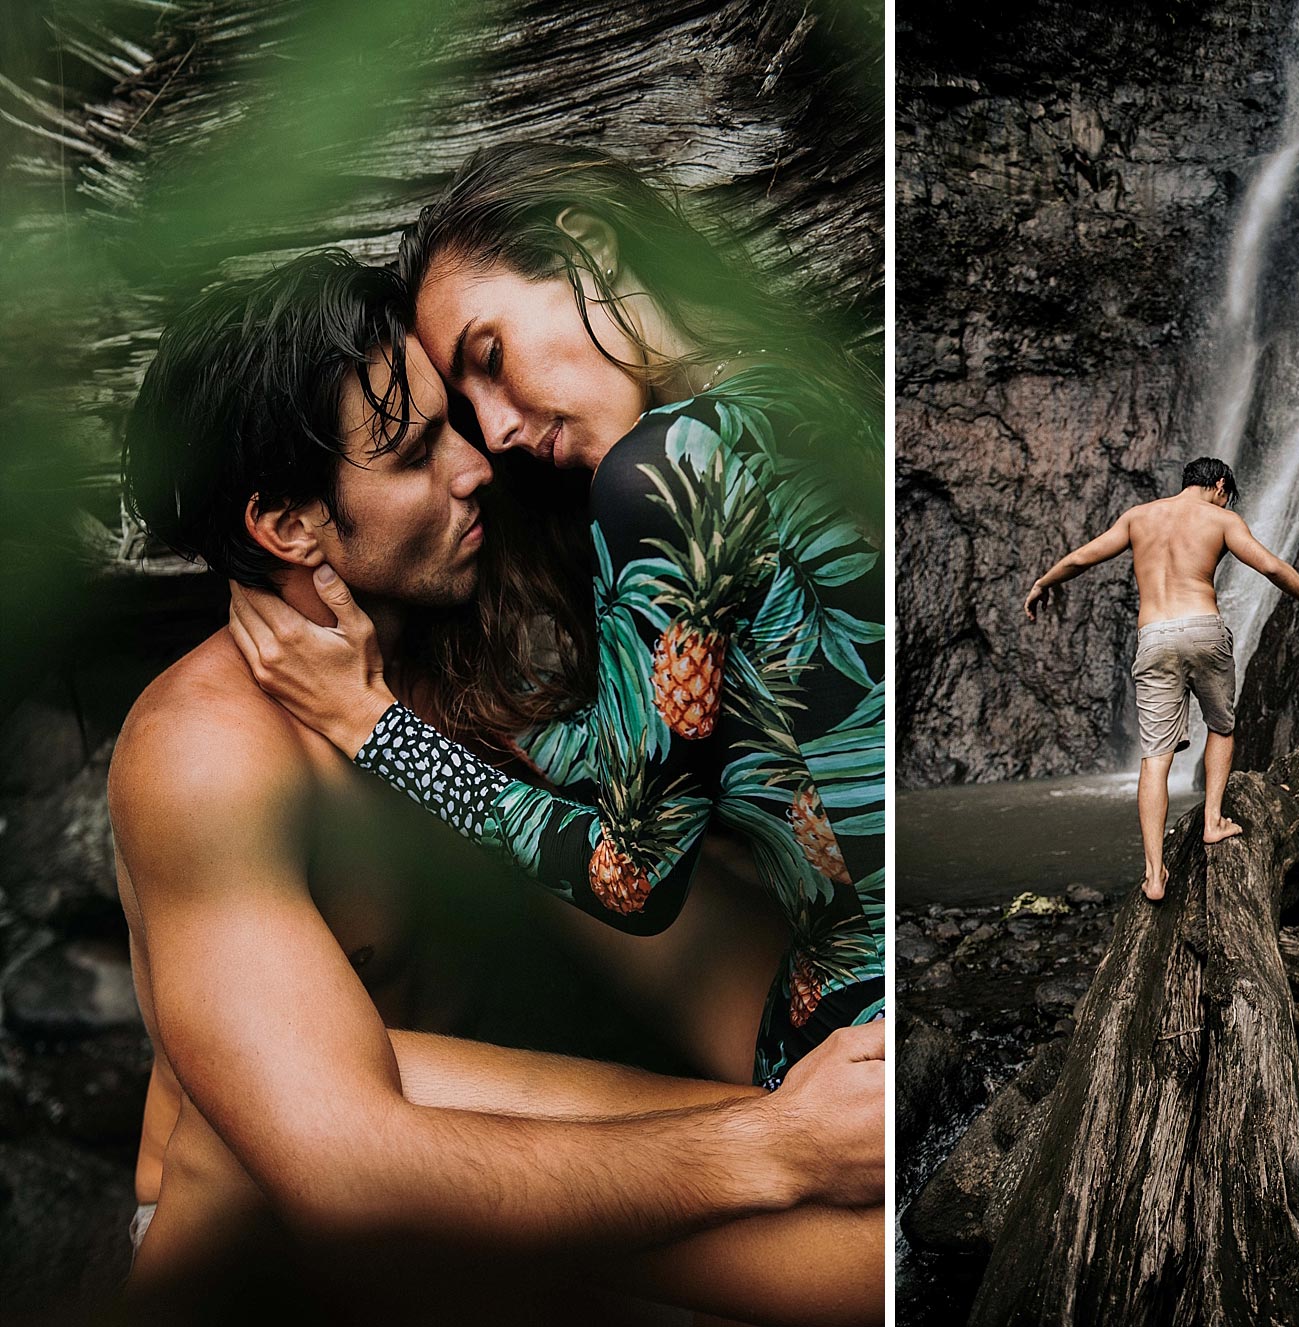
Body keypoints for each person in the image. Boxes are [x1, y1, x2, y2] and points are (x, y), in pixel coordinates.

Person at [113, 251, 883, 1323]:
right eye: (416, 449)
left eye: (456, 422)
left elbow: (661, 895)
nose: (476, 463)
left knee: (875, 1221)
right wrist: (779, 1143)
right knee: (246, 1138)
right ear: (288, 526)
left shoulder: (477, 649)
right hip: (287, 1257)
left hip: (505, 1211)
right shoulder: (209, 749)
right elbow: (343, 1169)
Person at [229, 142, 884, 1092]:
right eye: (468, 401)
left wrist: (374, 727)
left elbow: (636, 877)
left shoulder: (659, 471)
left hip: (848, 1054)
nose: (494, 432)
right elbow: (764, 727)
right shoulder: (801, 388)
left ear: (589, 247)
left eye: (490, 357)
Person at [1023, 457, 1299, 901]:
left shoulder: (1139, 517)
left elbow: (1081, 558)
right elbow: (1268, 566)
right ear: (1221, 485)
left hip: (1153, 636)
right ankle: (1211, 820)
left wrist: (1043, 582)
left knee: (1155, 756)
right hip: (1204, 629)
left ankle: (1154, 873)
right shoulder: (1222, 519)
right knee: (1221, 726)